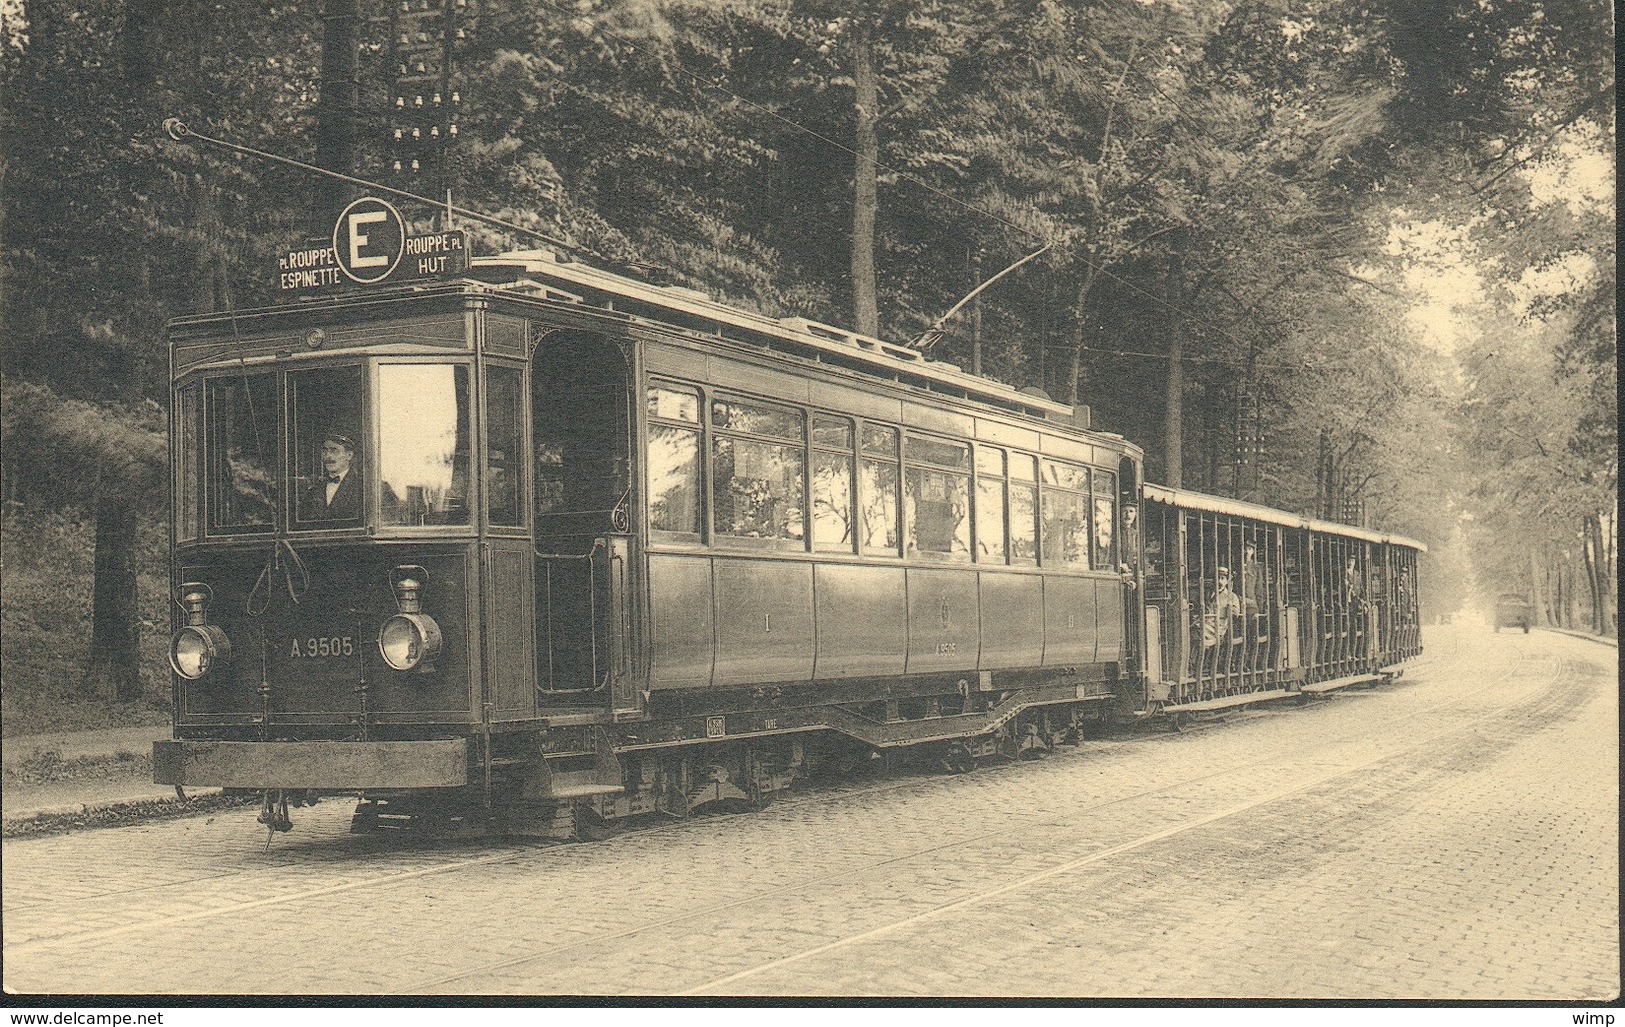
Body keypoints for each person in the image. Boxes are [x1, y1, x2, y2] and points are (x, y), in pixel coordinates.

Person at [299, 432, 361, 521]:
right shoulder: (314, 491)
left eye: (334, 451)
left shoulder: (362, 488)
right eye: (324, 451)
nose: (328, 456)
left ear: (349, 455)